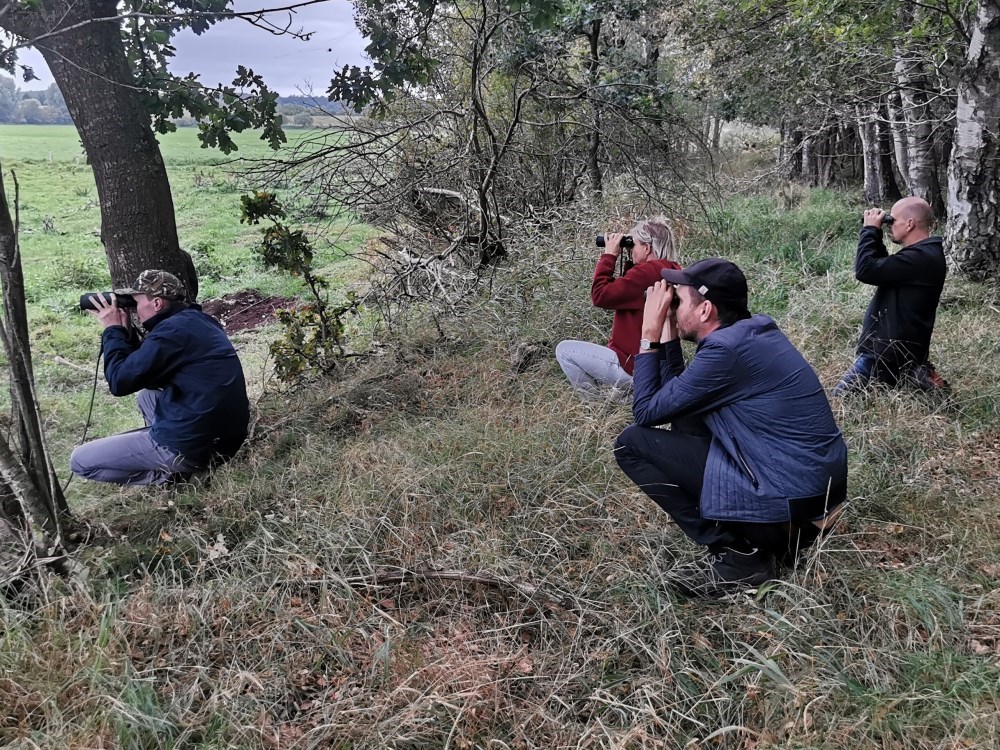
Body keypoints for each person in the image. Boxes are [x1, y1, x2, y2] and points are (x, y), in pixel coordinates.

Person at [613, 258, 848, 597]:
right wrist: (668, 335)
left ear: (706, 310)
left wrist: (648, 335)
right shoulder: (750, 334)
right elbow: (677, 399)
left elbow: (646, 412)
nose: (673, 306)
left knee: (631, 444)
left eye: (679, 299)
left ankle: (742, 559)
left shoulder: (727, 351)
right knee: (689, 414)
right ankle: (752, 544)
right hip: (813, 496)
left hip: (795, 514)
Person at [70, 269, 250, 486]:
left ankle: (170, 477)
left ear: (156, 304)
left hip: (193, 445)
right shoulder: (197, 321)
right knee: (147, 396)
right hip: (226, 440)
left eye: (136, 302)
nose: (134, 310)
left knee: (80, 461)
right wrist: (127, 333)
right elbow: (149, 376)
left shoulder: (171, 332)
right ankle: (175, 461)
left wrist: (113, 330)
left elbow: (120, 382)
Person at [834, 197, 948, 395]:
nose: (889, 226)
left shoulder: (920, 258)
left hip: (884, 354)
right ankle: (920, 380)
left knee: (839, 400)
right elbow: (882, 270)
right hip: (896, 352)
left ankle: (923, 382)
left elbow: (865, 270)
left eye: (892, 221)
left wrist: (869, 230)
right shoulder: (925, 254)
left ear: (910, 224)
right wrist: (876, 235)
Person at [556, 218, 681, 397]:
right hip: (655, 367)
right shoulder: (670, 270)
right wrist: (631, 261)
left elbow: (600, 295)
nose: (630, 249)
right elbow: (627, 293)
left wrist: (609, 256)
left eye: (633, 244)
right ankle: (620, 404)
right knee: (616, 401)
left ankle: (593, 408)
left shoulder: (647, 272)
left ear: (647, 247)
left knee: (565, 351)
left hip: (632, 365)